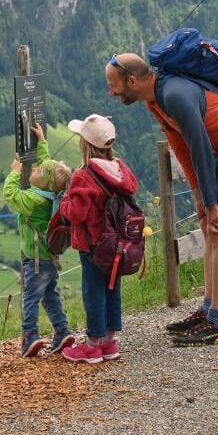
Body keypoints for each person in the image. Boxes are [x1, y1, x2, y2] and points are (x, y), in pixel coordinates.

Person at [105, 53, 218, 346]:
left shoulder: (174, 95)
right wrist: (198, 195)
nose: (111, 92)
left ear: (132, 81)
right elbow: (181, 146)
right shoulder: (155, 99)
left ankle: (217, 323)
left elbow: (200, 148)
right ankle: (207, 311)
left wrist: (211, 204)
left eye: (113, 85)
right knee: (209, 227)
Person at [59, 114, 139, 364]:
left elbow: (76, 213)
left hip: (93, 245)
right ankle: (109, 341)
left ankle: (92, 346)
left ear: (86, 144)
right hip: (118, 244)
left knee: (93, 292)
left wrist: (64, 202)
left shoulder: (84, 176)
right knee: (112, 289)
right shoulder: (120, 170)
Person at [3, 123, 76, 358]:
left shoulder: (34, 201)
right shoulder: (52, 193)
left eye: (36, 171)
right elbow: (49, 167)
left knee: (31, 297)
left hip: (34, 258)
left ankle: (30, 337)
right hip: (50, 257)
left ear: (42, 182)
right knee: (50, 294)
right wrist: (42, 141)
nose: (32, 169)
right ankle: (62, 331)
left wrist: (15, 171)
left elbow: (10, 195)